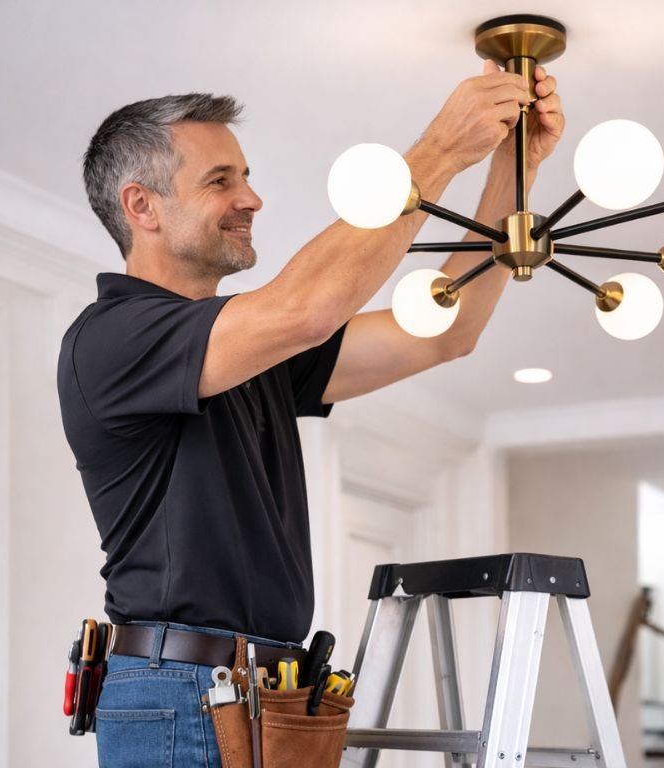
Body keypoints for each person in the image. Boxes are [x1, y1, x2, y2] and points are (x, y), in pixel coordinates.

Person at [57, 60, 563, 767]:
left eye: (245, 176)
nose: (252, 198)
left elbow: (446, 330)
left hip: (270, 691)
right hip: (183, 691)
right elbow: (303, 310)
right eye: (220, 180)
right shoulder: (111, 338)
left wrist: (512, 172)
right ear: (141, 206)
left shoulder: (251, 351)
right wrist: (439, 148)